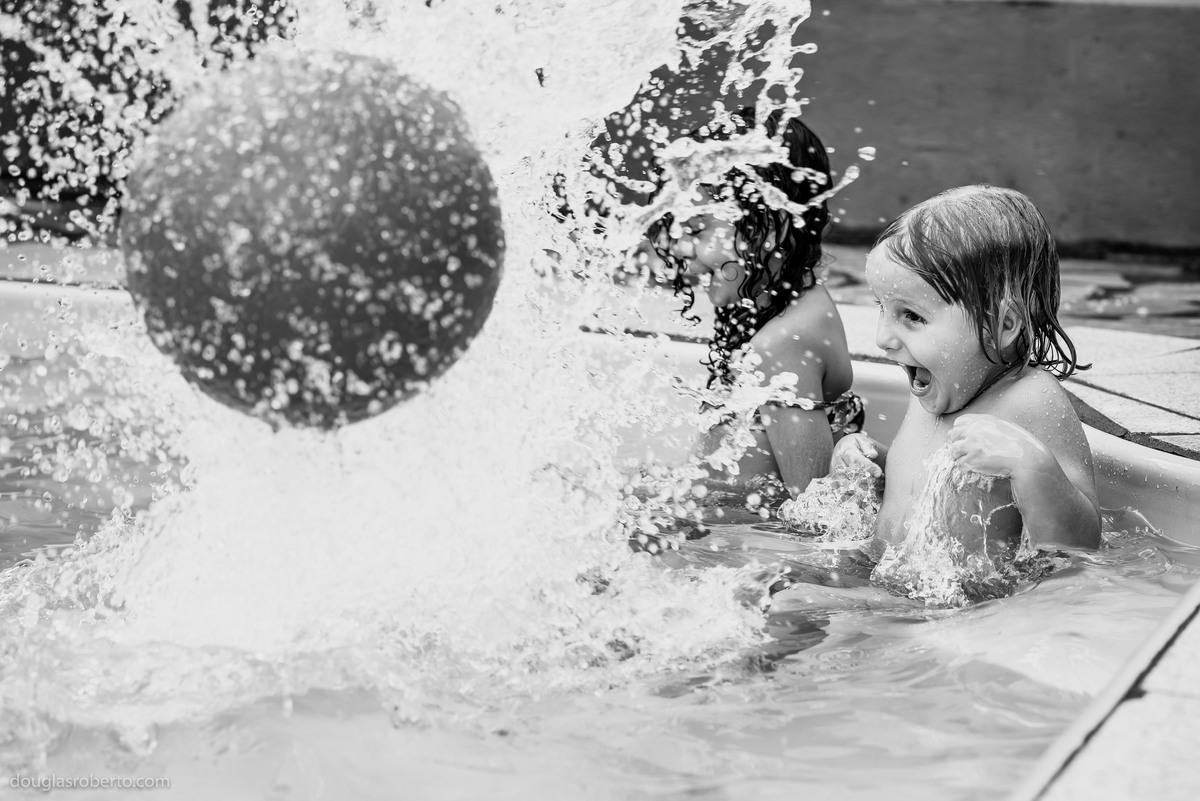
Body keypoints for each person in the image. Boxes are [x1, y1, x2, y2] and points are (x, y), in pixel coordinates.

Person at [832, 185, 1101, 552]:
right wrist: (871, 464)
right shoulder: (935, 388)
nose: (884, 338)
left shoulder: (1030, 401)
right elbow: (917, 489)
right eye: (882, 307)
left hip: (970, 607)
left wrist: (1031, 465)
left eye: (911, 315)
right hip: (889, 583)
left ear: (1003, 325)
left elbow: (1082, 543)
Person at [648, 110, 860, 499]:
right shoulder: (781, 303)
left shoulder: (783, 343)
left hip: (748, 549)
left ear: (774, 226)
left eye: (697, 229)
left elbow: (815, 511)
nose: (679, 246)